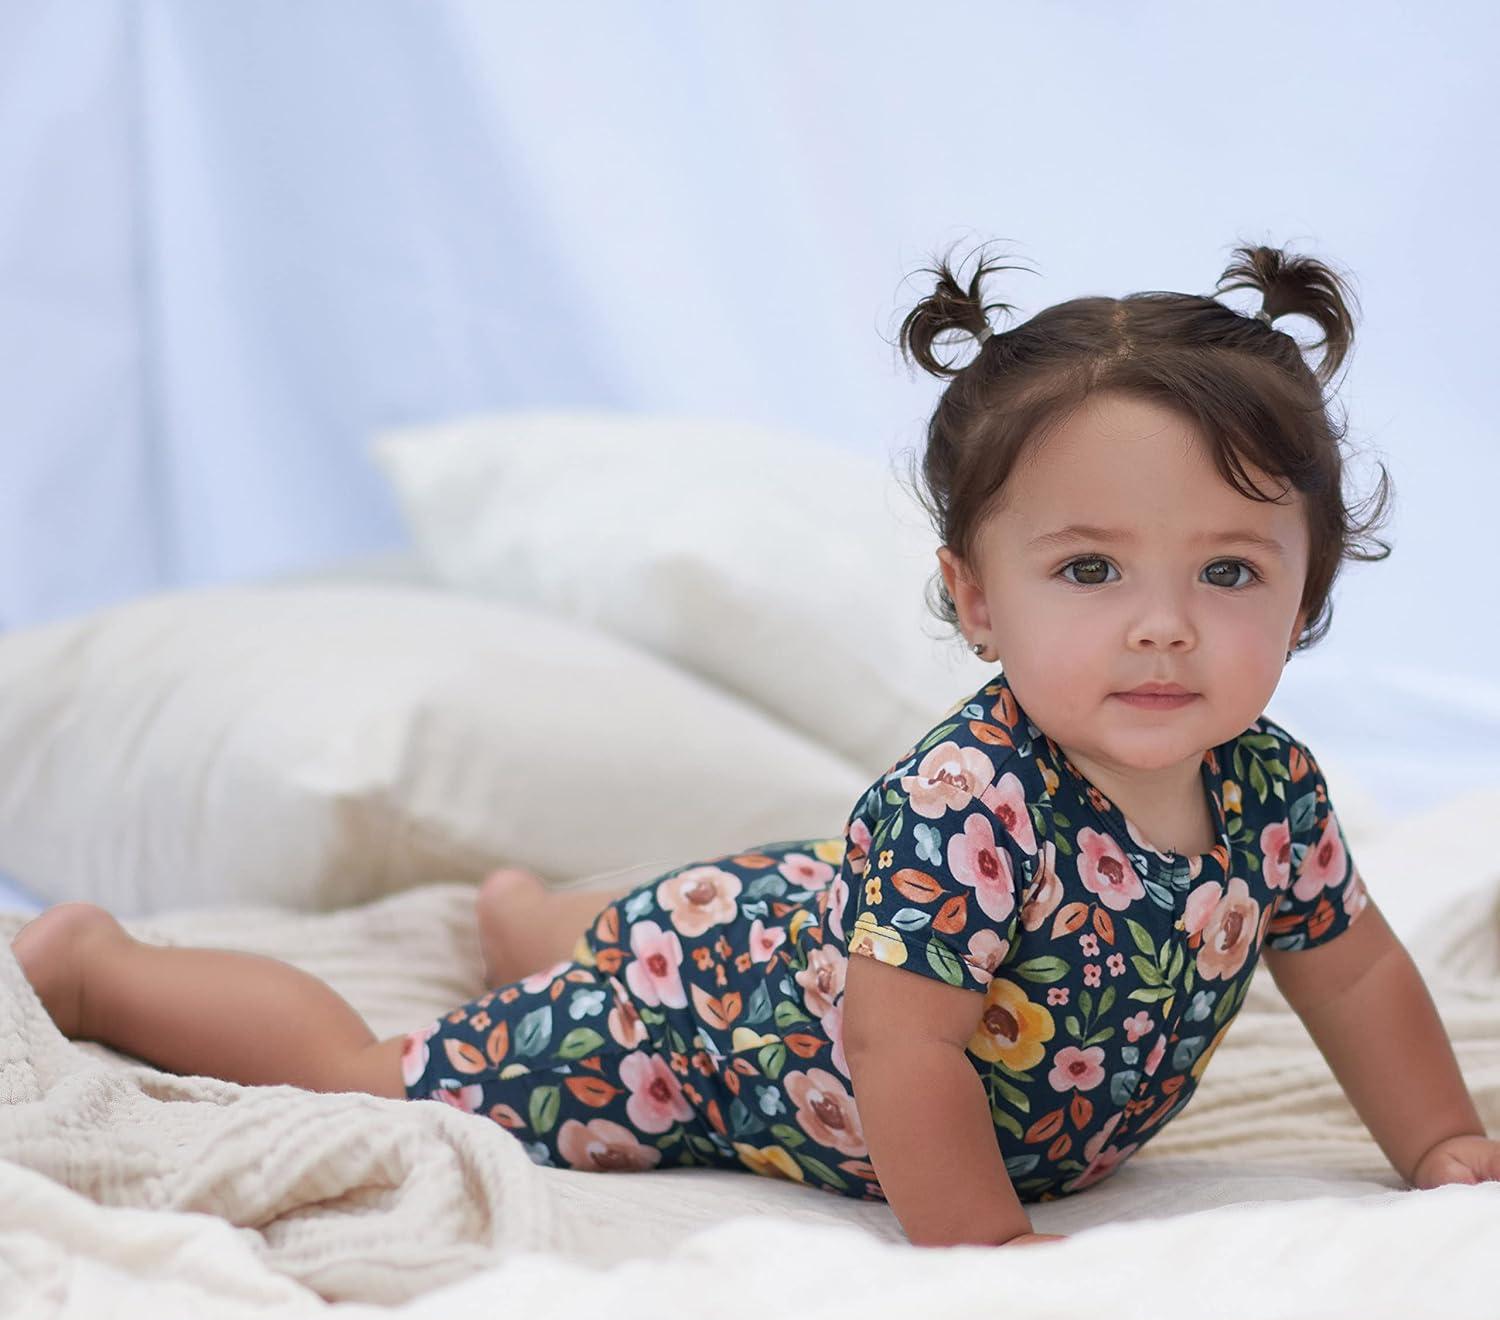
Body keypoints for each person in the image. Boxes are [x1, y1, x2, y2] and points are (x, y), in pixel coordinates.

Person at [12, 240, 1495, 1250]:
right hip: (705, 1037)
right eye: (1091, 570)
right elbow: (902, 1047)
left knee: (717, 914)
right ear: (977, 598)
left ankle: (537, 921)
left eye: (1228, 571)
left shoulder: (1269, 790)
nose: (1163, 627)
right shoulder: (966, 805)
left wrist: (1439, 1144)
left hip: (787, 923)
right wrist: (981, 1243)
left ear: (1308, 593)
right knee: (379, 1074)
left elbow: (1354, 969)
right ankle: (103, 964)